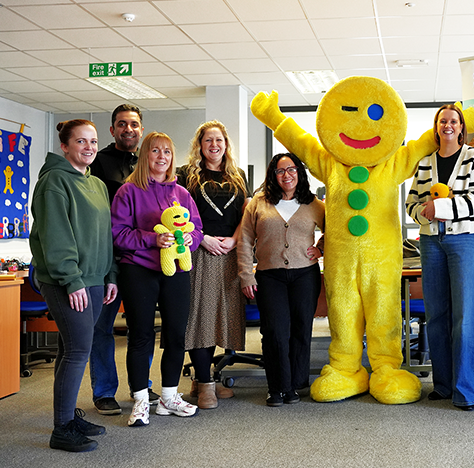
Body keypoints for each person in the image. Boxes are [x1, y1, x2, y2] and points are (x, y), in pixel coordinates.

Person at [29, 119, 118, 452]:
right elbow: (56, 238)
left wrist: (110, 275)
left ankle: (68, 415)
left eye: (93, 142)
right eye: (81, 142)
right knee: (79, 350)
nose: (89, 148)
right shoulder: (54, 182)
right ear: (64, 146)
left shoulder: (94, 184)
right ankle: (61, 428)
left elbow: (104, 237)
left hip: (95, 280)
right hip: (67, 282)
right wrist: (72, 281)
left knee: (72, 350)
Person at [111, 132, 203, 427]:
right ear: (144, 156)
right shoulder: (128, 191)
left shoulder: (183, 193)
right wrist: (153, 238)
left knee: (177, 334)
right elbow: (118, 234)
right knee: (141, 335)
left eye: (167, 151)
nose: (161, 156)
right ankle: (140, 400)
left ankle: (169, 397)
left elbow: (197, 230)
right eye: (155, 151)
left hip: (175, 271)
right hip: (139, 270)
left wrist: (191, 238)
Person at [406, 104, 474, 411]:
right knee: (437, 314)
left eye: (453, 121)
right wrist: (426, 217)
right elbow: (411, 203)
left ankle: (465, 390)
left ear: (461, 126)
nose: (448, 125)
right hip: (430, 242)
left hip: (463, 240)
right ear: (436, 126)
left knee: (465, 315)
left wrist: (439, 210)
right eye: (443, 121)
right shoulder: (426, 161)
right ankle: (442, 384)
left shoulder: (472, 157)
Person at [238, 153, 325, 407]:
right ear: (273, 175)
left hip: (305, 275)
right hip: (269, 276)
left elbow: (335, 230)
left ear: (299, 172)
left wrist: (321, 247)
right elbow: (244, 240)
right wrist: (245, 275)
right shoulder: (259, 203)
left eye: (291, 169)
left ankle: (296, 384)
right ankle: (277, 387)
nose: (286, 175)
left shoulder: (314, 204)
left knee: (300, 330)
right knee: (275, 331)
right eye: (280, 171)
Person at [88, 104, 158, 415]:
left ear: (141, 129)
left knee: (141, 329)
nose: (128, 129)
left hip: (142, 260)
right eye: (121, 124)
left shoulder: (148, 162)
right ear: (112, 130)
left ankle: (140, 387)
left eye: (133, 124)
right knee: (102, 327)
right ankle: (104, 391)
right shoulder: (98, 162)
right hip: (108, 259)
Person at [178, 121, 248, 409]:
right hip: (199, 253)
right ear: (200, 145)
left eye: (219, 140)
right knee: (200, 319)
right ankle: (206, 384)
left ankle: (203, 380)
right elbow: (178, 214)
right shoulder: (185, 176)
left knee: (223, 317)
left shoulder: (238, 175)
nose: (214, 145)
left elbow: (247, 213)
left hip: (230, 254)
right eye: (208, 141)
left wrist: (234, 240)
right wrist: (202, 238)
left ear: (226, 144)